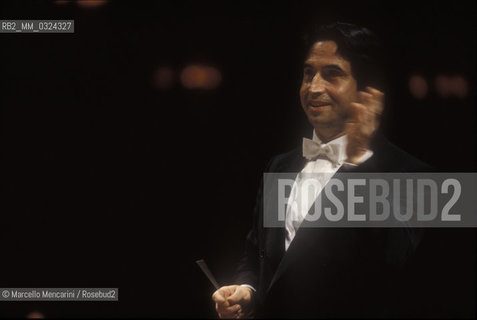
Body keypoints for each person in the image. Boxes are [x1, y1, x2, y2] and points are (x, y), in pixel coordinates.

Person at [212, 22, 432, 318]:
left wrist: (357, 165)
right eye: (308, 74)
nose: (314, 87)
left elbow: (397, 268)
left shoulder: (413, 175)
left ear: (367, 91)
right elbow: (258, 257)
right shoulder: (280, 167)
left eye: (332, 74)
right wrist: (247, 290)